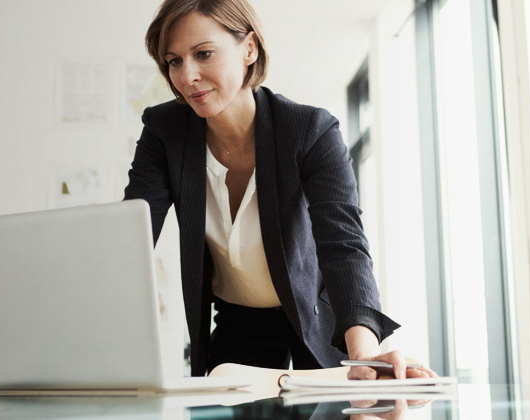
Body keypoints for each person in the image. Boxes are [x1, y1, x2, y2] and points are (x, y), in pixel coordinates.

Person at [124, 0, 439, 380]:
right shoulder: (164, 131)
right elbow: (130, 241)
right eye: (174, 61)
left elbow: (343, 245)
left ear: (249, 49)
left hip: (317, 317)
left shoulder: (310, 131)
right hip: (238, 325)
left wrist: (365, 354)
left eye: (203, 54)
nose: (187, 75)